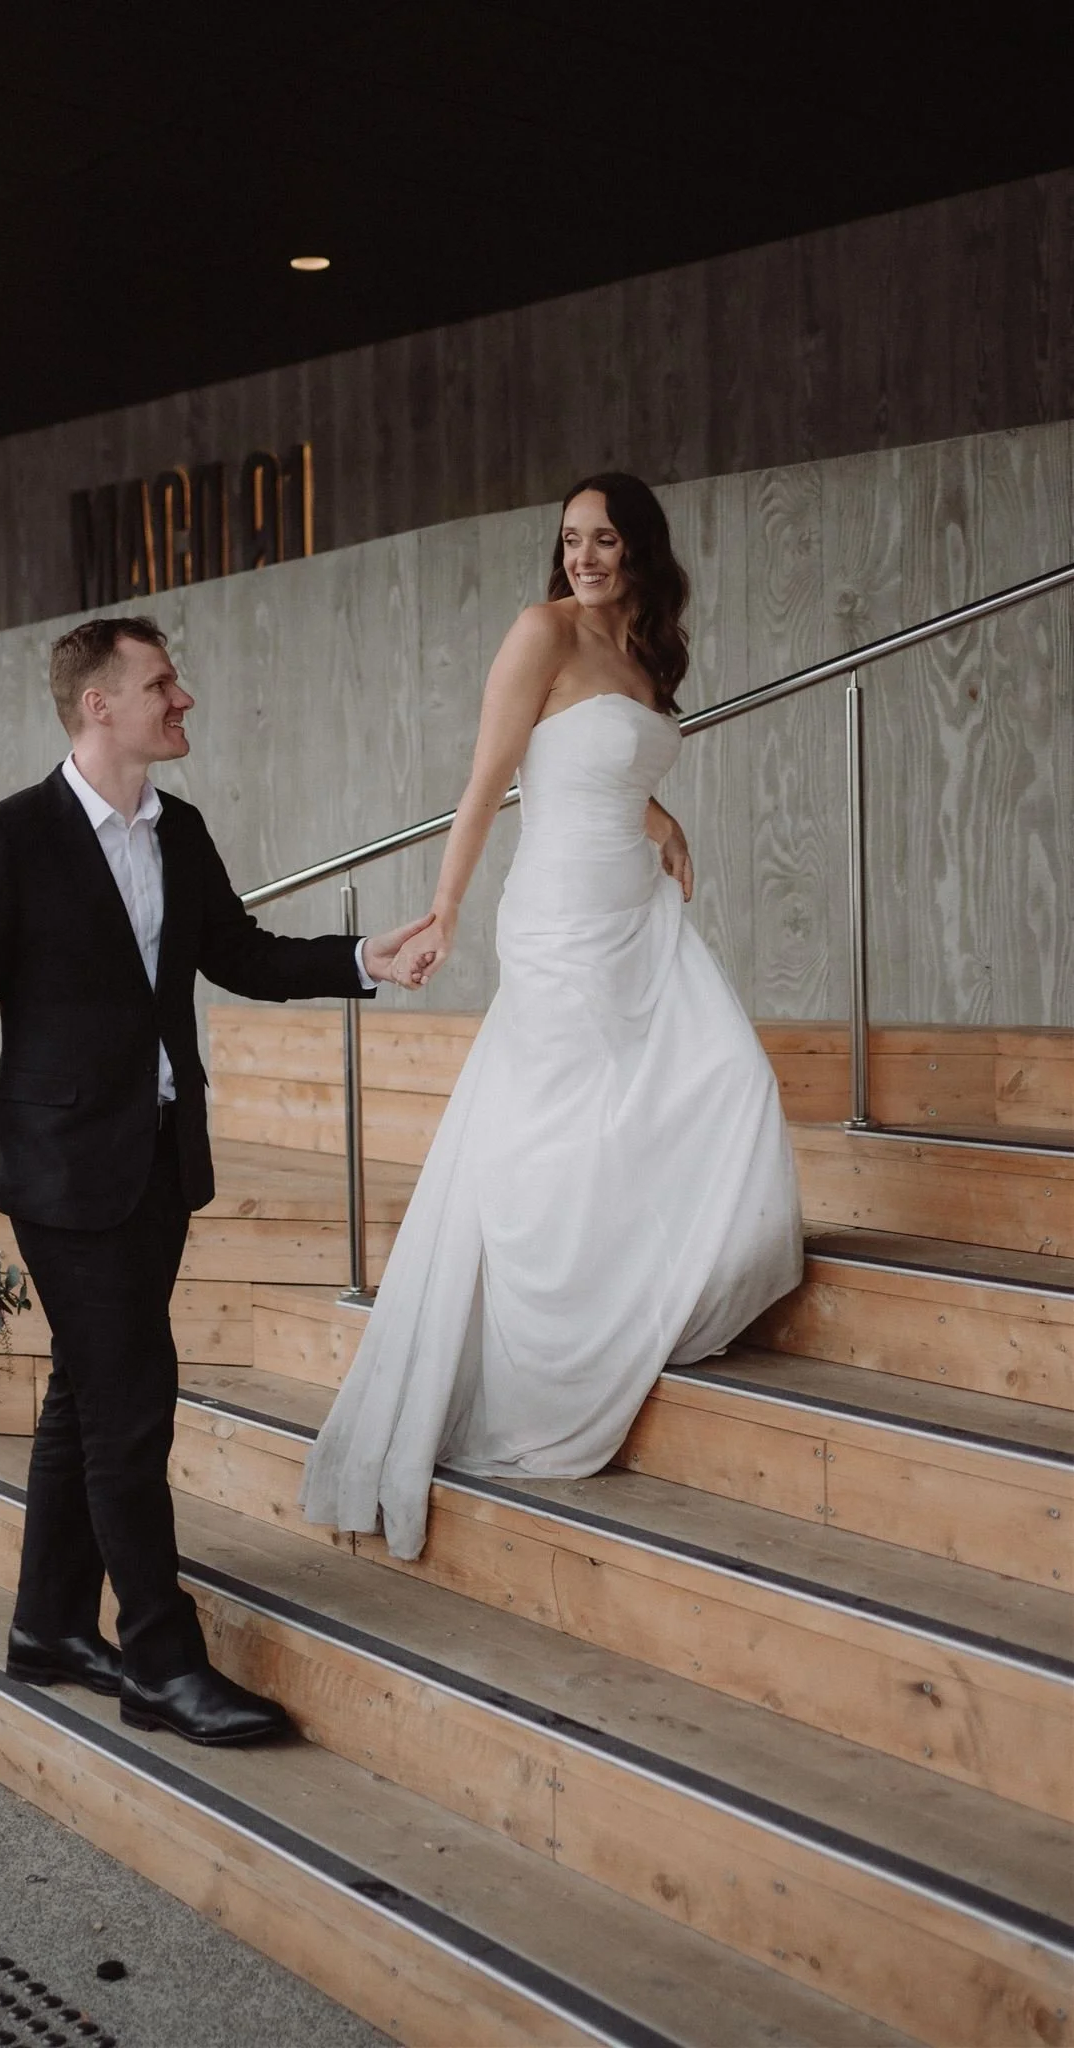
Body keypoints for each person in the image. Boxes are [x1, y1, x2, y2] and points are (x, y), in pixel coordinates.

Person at [0, 617, 428, 1744]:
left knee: (88, 1395)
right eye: (160, 683)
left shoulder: (176, 829)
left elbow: (234, 951)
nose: (182, 699)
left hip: (157, 1160)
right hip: (59, 1171)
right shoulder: (13, 838)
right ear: (98, 705)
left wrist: (359, 958)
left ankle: (46, 1626)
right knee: (132, 1403)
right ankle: (160, 1660)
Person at [301, 474, 803, 1561]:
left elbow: (600, 755)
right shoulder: (544, 630)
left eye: (605, 538)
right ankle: (552, 1347)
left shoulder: (642, 650)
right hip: (562, 917)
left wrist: (660, 816)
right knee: (563, 1131)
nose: (584, 556)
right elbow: (494, 776)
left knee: (727, 1079)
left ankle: (642, 1292)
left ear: (640, 550)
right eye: (572, 539)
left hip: (636, 902)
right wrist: (443, 910)